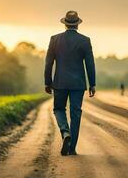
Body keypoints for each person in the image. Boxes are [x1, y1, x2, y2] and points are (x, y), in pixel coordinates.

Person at [44, 11, 96, 156]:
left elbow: (49, 63)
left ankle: (65, 131)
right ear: (77, 24)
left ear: (65, 23)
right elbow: (90, 64)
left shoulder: (55, 39)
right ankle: (72, 148)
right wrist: (92, 83)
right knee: (76, 114)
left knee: (59, 109)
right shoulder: (85, 41)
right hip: (78, 84)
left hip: (60, 82)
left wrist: (48, 82)